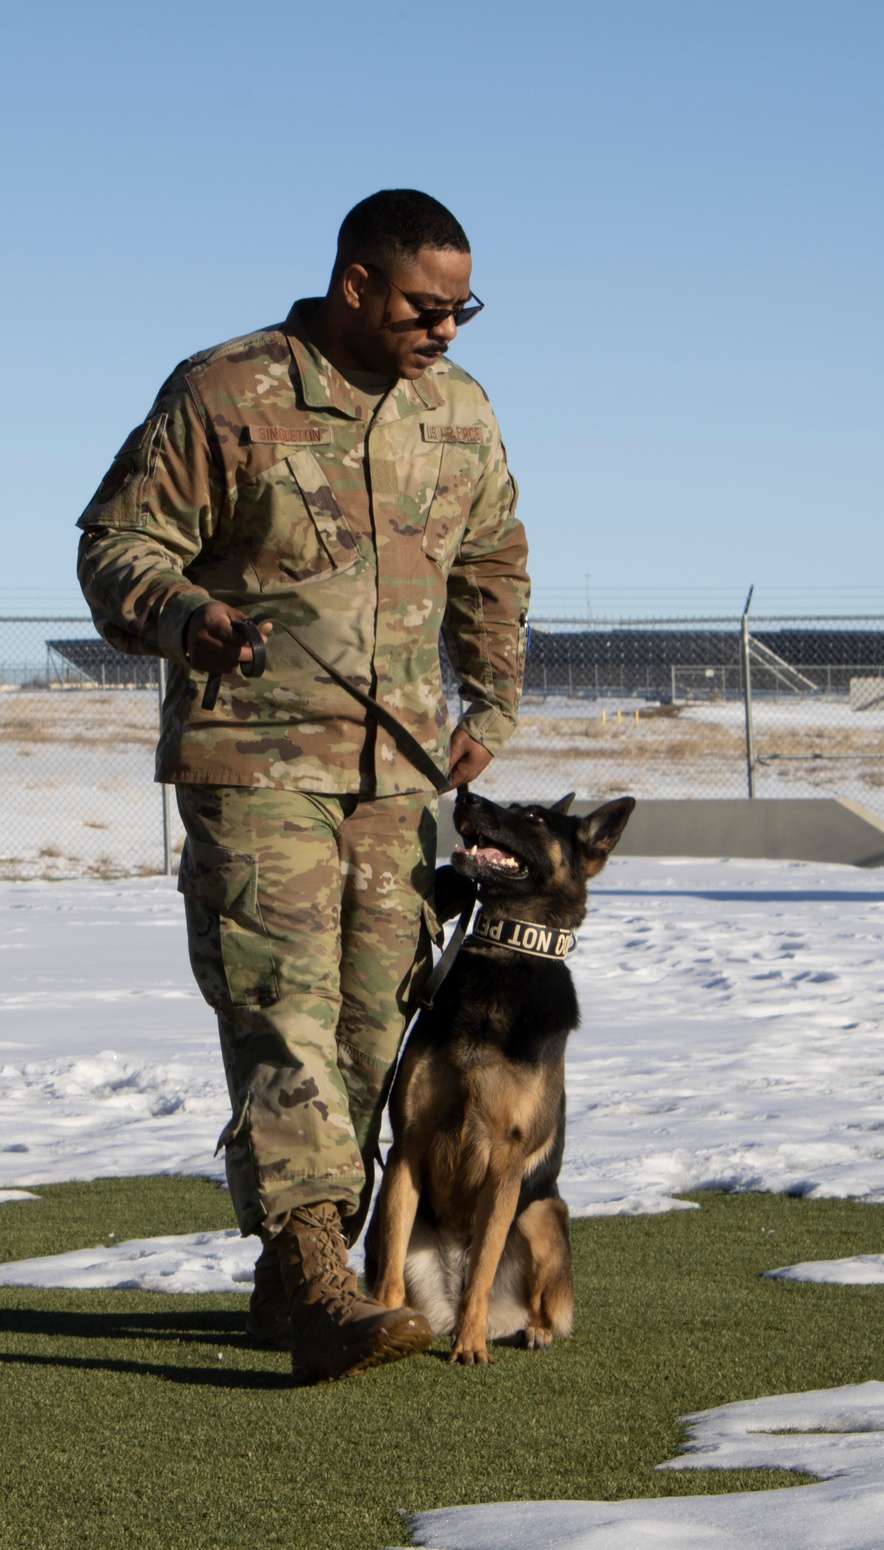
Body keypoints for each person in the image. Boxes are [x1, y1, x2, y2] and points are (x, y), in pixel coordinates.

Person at [76, 189, 530, 1384]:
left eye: (463, 308)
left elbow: (492, 552)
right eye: (428, 307)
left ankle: (289, 1272)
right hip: (256, 760)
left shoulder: (459, 412)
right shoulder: (227, 390)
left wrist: (492, 701)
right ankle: (320, 1273)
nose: (448, 329)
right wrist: (186, 612)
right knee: (281, 1010)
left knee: (375, 1028)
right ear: (355, 287)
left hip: (397, 773)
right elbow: (116, 542)